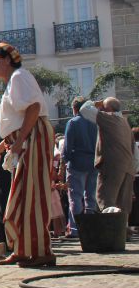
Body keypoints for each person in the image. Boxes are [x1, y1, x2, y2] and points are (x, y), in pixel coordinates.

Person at [0, 42, 54, 267]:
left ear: (7, 60)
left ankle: (39, 251)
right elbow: (15, 121)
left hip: (33, 136)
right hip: (25, 138)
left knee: (31, 196)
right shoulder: (12, 82)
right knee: (23, 196)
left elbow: (33, 109)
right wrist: (1, 148)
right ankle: (24, 249)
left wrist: (20, 141)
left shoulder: (19, 77)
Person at [79, 97, 135, 216]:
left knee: (106, 199)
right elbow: (134, 149)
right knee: (123, 204)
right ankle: (123, 230)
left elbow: (84, 110)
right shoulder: (126, 124)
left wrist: (95, 103)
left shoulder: (107, 118)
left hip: (112, 166)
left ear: (108, 108)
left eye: (103, 107)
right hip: (128, 168)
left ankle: (109, 230)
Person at [60, 96, 98, 237]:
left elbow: (68, 146)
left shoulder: (73, 122)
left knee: (75, 197)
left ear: (75, 108)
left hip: (77, 163)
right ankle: (91, 227)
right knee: (90, 197)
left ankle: (76, 229)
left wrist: (66, 161)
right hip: (93, 162)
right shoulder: (95, 122)